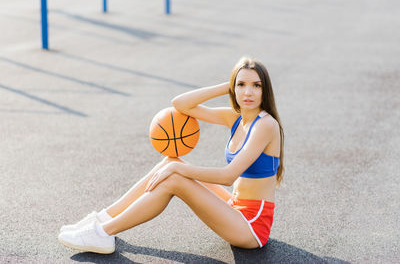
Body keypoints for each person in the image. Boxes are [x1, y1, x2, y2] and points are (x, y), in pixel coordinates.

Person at [58, 57, 285, 254]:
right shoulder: (236, 118)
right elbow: (180, 104)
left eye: (256, 85)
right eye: (242, 85)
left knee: (175, 176)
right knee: (171, 160)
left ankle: (103, 233)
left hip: (252, 225)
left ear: (265, 90)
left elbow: (228, 176)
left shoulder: (265, 125)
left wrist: (179, 169)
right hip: (235, 206)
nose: (248, 92)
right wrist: (228, 84)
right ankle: (103, 219)